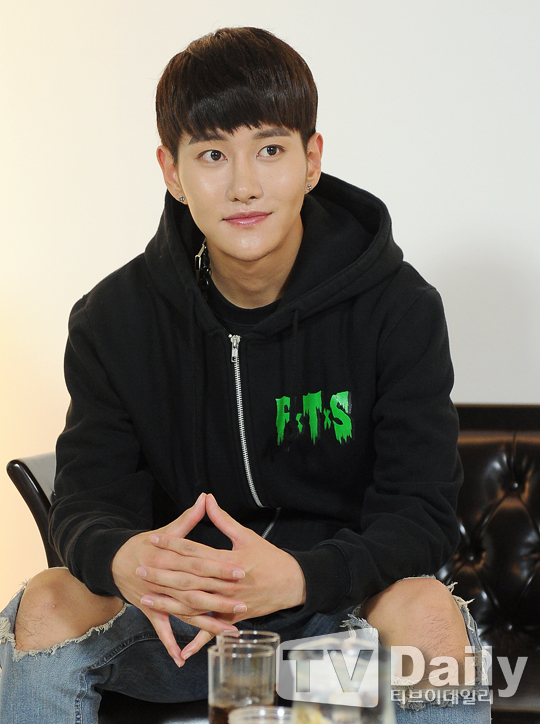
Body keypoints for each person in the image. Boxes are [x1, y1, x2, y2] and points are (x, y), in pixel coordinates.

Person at [0, 27, 489, 722]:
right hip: (179, 627)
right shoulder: (112, 320)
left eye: (270, 150)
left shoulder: (398, 309)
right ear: (172, 172)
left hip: (331, 615)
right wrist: (125, 560)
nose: (244, 186)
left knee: (431, 618)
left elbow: (422, 515)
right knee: (46, 604)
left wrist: (299, 576)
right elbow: (86, 503)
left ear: (311, 160)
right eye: (211, 155)